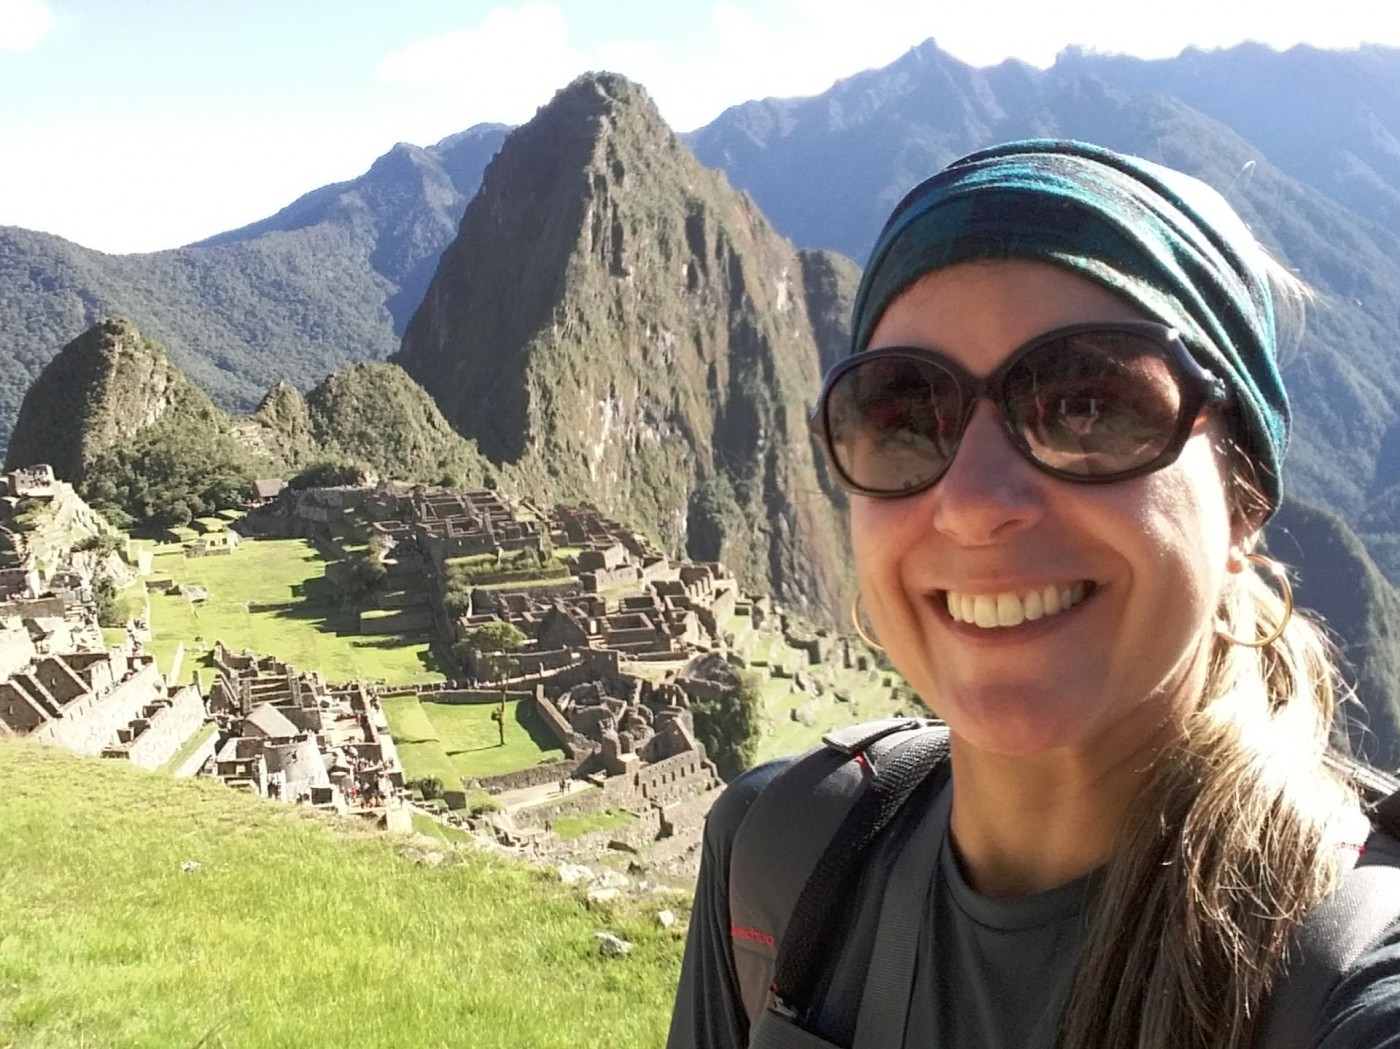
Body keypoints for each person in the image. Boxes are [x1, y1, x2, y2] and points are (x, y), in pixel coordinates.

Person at [667, 140, 1400, 1049]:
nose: (974, 502)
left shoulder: (1355, 975)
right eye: (903, 413)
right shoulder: (779, 856)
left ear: (1242, 500)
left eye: (1089, 405)